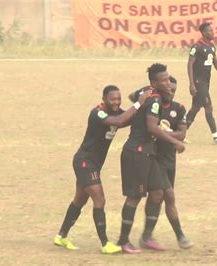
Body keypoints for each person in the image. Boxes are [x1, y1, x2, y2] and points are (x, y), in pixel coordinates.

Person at [54, 85, 151, 254]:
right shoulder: (97, 113)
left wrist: (143, 105)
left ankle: (61, 236)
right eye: (113, 99)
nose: (116, 102)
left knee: (79, 201)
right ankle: (105, 244)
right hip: (85, 162)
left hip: (94, 164)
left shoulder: (116, 112)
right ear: (104, 99)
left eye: (118, 99)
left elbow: (126, 119)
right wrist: (138, 103)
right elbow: (119, 121)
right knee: (100, 200)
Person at [117, 64, 185, 253]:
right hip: (137, 152)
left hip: (149, 154)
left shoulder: (151, 94)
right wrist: (176, 142)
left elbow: (135, 97)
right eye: (164, 80)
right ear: (154, 83)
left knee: (158, 192)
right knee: (134, 197)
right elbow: (152, 128)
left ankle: (147, 237)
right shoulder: (154, 99)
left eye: (168, 78)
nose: (168, 83)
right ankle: (122, 241)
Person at [130, 76, 194, 249]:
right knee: (168, 195)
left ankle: (146, 236)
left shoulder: (179, 108)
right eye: (167, 88)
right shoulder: (153, 103)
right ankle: (180, 236)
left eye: (173, 89)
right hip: (154, 158)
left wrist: (160, 132)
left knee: (158, 196)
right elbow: (132, 96)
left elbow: (182, 135)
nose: (170, 91)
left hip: (169, 161)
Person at [186, 22, 217, 144]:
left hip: (206, 82)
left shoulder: (211, 46)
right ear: (204, 32)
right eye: (210, 31)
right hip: (198, 82)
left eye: (212, 30)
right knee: (208, 107)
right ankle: (216, 137)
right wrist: (192, 83)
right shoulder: (197, 47)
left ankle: (180, 133)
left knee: (195, 108)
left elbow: (215, 62)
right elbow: (190, 64)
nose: (213, 32)